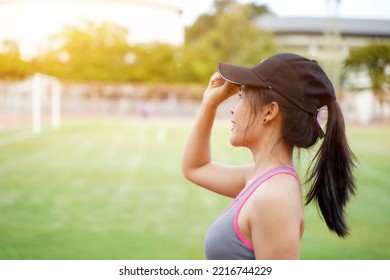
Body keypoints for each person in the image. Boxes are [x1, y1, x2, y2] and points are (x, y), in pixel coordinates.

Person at [182, 53, 357, 260]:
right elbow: (196, 168)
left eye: (242, 97)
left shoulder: (272, 198)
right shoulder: (260, 179)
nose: (232, 109)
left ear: (269, 112)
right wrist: (209, 104)